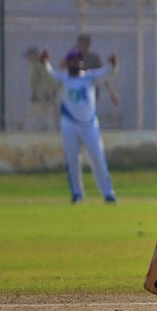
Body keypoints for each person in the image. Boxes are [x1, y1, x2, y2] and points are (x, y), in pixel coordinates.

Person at [42, 47, 118, 203]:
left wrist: (112, 64)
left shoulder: (89, 78)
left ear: (81, 63)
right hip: (69, 122)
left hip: (90, 123)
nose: (75, 63)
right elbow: (50, 74)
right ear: (68, 62)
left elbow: (106, 73)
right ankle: (77, 193)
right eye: (72, 60)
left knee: (97, 158)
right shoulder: (63, 78)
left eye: (78, 60)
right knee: (72, 159)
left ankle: (108, 193)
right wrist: (45, 62)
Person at [75, 33, 120, 128]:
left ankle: (92, 128)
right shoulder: (75, 58)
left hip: (92, 90)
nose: (79, 45)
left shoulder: (94, 58)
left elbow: (104, 76)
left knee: (89, 112)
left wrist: (112, 92)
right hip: (78, 90)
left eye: (82, 43)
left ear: (87, 44)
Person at [25, 46, 60, 132]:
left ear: (35, 55)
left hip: (39, 96)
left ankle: (28, 136)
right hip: (47, 96)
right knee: (49, 120)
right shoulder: (44, 65)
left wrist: (41, 93)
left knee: (30, 119)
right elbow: (53, 81)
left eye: (30, 56)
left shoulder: (37, 66)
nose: (29, 59)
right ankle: (53, 136)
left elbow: (33, 82)